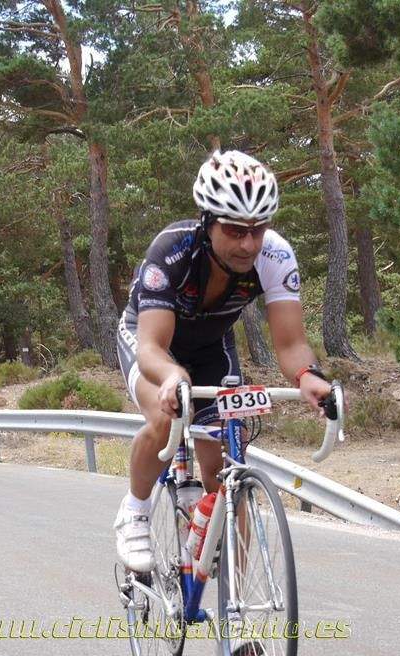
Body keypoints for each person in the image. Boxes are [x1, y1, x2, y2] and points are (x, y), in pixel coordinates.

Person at [114, 149, 333, 573]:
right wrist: (172, 375)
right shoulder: (173, 251)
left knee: (228, 472)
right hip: (153, 342)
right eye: (234, 231)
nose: (247, 244)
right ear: (208, 222)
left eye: (258, 230)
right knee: (164, 418)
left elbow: (290, 344)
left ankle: (241, 615)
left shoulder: (275, 255)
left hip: (212, 346)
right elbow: (152, 348)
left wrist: (309, 376)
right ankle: (135, 512)